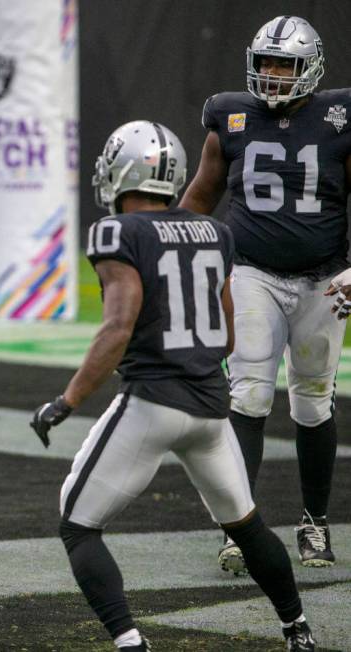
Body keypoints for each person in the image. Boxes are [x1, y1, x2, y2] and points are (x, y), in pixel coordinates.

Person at [30, 121, 315, 652]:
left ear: (123, 171)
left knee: (78, 522)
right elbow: (228, 333)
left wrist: (65, 402)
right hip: (211, 406)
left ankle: (130, 641)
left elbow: (118, 327)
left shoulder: (119, 232)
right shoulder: (215, 232)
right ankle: (298, 629)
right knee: (247, 525)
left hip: (153, 402)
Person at [179, 15, 350, 574]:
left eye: (286, 65)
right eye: (266, 64)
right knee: (249, 392)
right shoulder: (230, 116)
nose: (273, 75)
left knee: (312, 400)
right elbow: (202, 194)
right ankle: (238, 526)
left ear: (311, 68)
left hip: (325, 275)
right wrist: (165, 252)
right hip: (250, 270)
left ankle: (315, 522)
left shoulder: (338, 119)